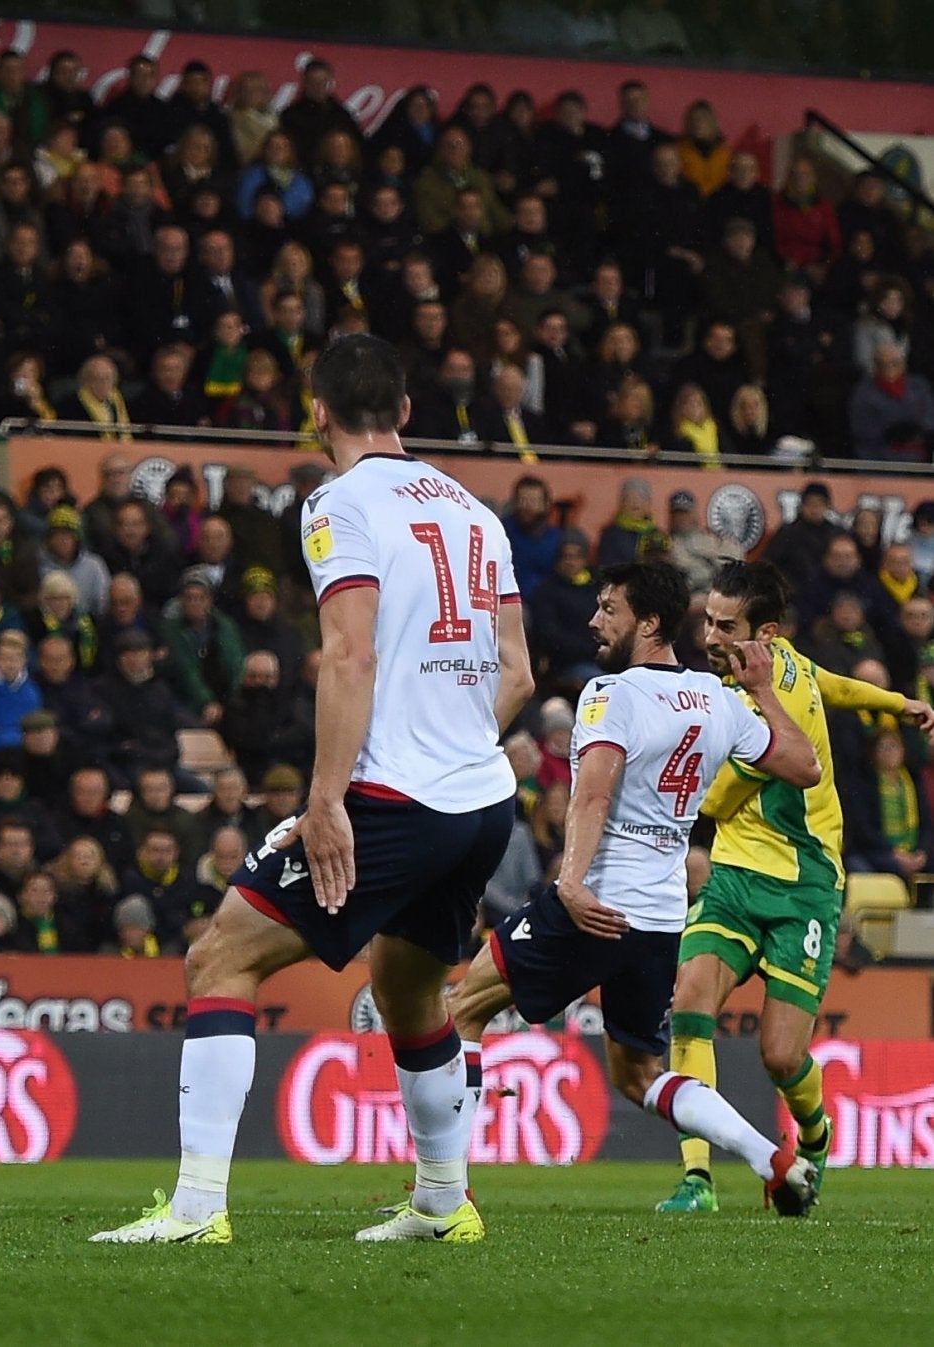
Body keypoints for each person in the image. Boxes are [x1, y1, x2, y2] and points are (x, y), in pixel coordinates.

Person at [91, 334, 533, 1247]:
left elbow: (347, 651)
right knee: (409, 993)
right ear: (407, 410)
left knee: (220, 958)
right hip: (482, 799)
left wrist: (328, 797)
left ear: (318, 414)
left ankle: (195, 1208)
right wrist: (452, 748)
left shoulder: (338, 503)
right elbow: (520, 674)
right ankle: (445, 1203)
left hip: (394, 798)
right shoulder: (474, 511)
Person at [446, 561, 823, 1218]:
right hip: (657, 918)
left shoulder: (609, 693)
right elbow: (804, 765)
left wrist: (566, 883)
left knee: (459, 1012)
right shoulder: (716, 699)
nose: (594, 621)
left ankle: (442, 1192)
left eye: (608, 609)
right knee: (638, 1075)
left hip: (592, 903)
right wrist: (761, 691)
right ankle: (774, 1159)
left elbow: (591, 793)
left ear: (647, 622)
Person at [656, 561, 934, 1214]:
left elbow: (722, 799)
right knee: (690, 999)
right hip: (733, 877)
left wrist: (682, 787)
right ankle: (696, 1177)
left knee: (781, 1056)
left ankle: (814, 1135)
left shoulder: (768, 705)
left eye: (726, 626)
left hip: (804, 882)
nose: (710, 634)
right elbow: (833, 682)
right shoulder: (784, 666)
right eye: (708, 620)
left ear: (765, 631)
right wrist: (898, 702)